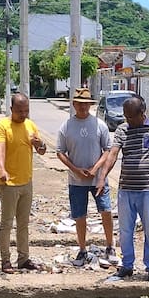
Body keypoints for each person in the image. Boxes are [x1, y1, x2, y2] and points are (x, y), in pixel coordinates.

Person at [96, 94, 149, 282]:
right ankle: (127, 265)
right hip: (126, 189)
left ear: (142, 112)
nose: (128, 119)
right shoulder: (123, 129)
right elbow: (113, 154)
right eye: (126, 116)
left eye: (131, 116)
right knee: (125, 231)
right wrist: (102, 177)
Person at [56, 87, 115, 266]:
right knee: (79, 216)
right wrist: (75, 169)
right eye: (80, 104)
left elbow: (108, 150)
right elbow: (60, 152)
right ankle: (82, 249)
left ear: (90, 105)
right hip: (76, 180)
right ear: (74, 104)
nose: (83, 107)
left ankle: (110, 246)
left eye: (86, 104)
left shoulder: (99, 125)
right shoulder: (66, 126)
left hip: (98, 179)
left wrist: (95, 168)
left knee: (106, 211)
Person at [0, 92, 47, 274]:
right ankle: (5, 260)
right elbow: (0, 151)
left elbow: (41, 151)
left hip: (26, 182)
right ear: (11, 109)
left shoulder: (30, 125)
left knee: (23, 223)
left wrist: (41, 143)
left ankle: (23, 258)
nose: (23, 114)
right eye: (19, 111)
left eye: (26, 111)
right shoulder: (2, 126)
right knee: (7, 222)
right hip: (8, 183)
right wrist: (2, 170)